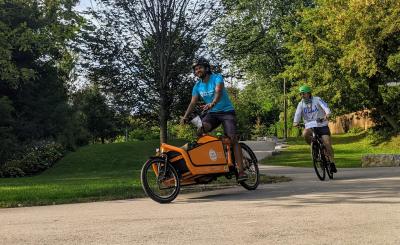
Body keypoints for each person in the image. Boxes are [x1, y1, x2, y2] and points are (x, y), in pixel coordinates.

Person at [180, 57, 248, 181]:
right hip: (213, 114)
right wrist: (185, 117)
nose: (197, 70)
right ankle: (216, 159)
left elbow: (219, 91)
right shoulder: (197, 86)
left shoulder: (217, 77)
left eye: (199, 67)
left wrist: (213, 103)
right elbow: (193, 102)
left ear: (206, 68)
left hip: (227, 112)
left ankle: (241, 171)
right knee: (201, 130)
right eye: (195, 69)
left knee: (232, 139)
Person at [293, 85, 337, 173]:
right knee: (305, 133)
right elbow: (297, 115)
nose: (302, 96)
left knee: (327, 143)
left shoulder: (317, 99)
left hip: (322, 125)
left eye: (304, 94)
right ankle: (315, 147)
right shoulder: (300, 104)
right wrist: (295, 122)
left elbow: (325, 107)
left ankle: (332, 162)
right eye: (301, 94)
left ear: (309, 93)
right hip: (310, 126)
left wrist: (327, 114)